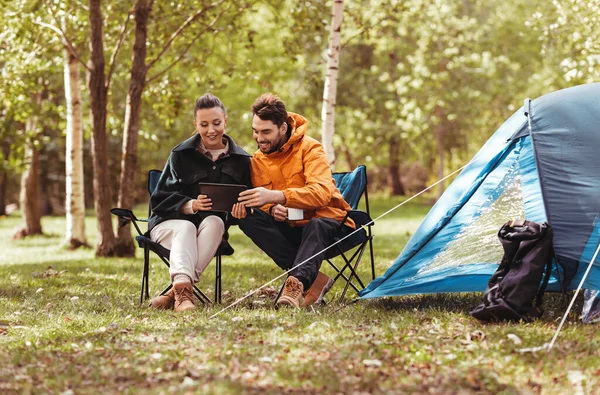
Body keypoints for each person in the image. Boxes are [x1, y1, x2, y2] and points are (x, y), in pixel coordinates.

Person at [231, 93, 355, 308]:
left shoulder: (310, 148)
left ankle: (295, 285)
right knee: (250, 219)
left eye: (266, 132)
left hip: (329, 223)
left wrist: (280, 196)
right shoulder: (258, 160)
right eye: (256, 131)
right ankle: (316, 280)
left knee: (317, 224)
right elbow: (267, 204)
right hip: (292, 226)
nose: (260, 138)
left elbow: (322, 193)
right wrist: (272, 210)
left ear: (283, 127)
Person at [148, 93, 252, 312]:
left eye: (216, 123)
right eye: (204, 124)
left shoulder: (242, 160)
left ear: (226, 120)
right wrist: (191, 205)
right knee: (185, 227)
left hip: (208, 231)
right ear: (195, 124)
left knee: (216, 222)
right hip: (168, 226)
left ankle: (176, 292)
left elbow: (244, 201)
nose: (211, 130)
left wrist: (242, 211)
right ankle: (184, 296)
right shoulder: (180, 154)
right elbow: (159, 201)